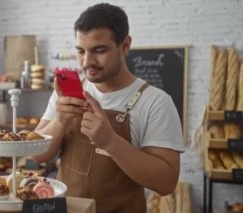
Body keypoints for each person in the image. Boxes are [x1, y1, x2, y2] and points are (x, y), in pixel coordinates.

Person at [33, 3, 184, 212]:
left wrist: (110, 141)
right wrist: (60, 121)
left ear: (125, 45)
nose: (87, 62)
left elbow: (166, 183)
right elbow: (37, 155)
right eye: (80, 51)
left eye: (99, 50)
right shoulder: (67, 93)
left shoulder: (156, 102)